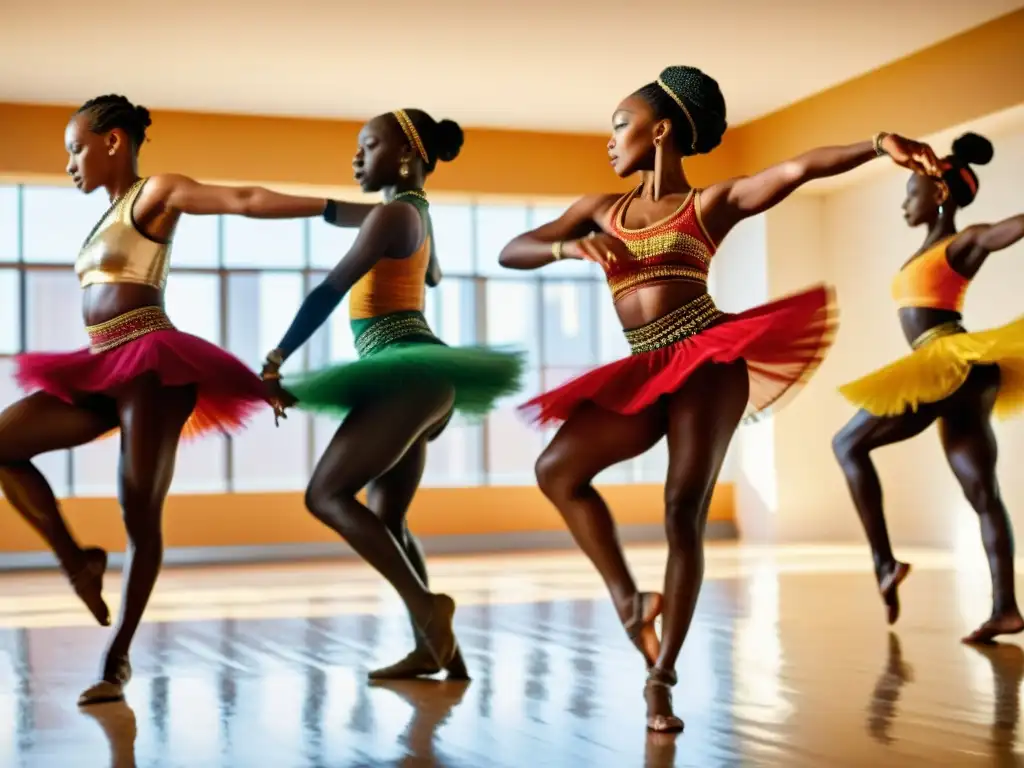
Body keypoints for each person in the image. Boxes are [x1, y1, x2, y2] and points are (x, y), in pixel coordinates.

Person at [498, 65, 940, 733]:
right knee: (555, 471)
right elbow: (512, 250)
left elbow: (796, 169)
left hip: (707, 358)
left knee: (683, 507)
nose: (610, 140)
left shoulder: (709, 203)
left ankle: (661, 678)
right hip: (643, 366)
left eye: (621, 125)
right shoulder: (597, 208)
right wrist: (564, 246)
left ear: (661, 129)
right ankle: (630, 602)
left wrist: (879, 143)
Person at [0, 94, 375, 705]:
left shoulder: (156, 193)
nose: (69, 163)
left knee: (138, 512)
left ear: (112, 142)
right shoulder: (103, 215)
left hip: (152, 367)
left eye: (76, 149)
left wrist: (348, 212)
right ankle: (77, 563)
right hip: (100, 363)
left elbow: (244, 201)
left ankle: (117, 657)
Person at [259, 109, 524, 682]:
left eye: (368, 144)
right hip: (426, 379)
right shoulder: (411, 213)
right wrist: (327, 208)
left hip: (403, 372)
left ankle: (431, 610)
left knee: (325, 495)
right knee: (390, 520)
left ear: (405, 154)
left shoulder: (392, 217)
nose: (355, 156)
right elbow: (431, 275)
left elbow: (331, 289)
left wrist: (277, 358)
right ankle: (442, 655)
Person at [833, 132, 1024, 644]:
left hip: (947, 360)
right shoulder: (929, 251)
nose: (904, 202)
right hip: (968, 372)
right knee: (983, 493)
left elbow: (1005, 230)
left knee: (846, 443)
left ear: (939, 196)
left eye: (911, 191)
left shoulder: (961, 243)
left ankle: (885, 562)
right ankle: (1005, 609)